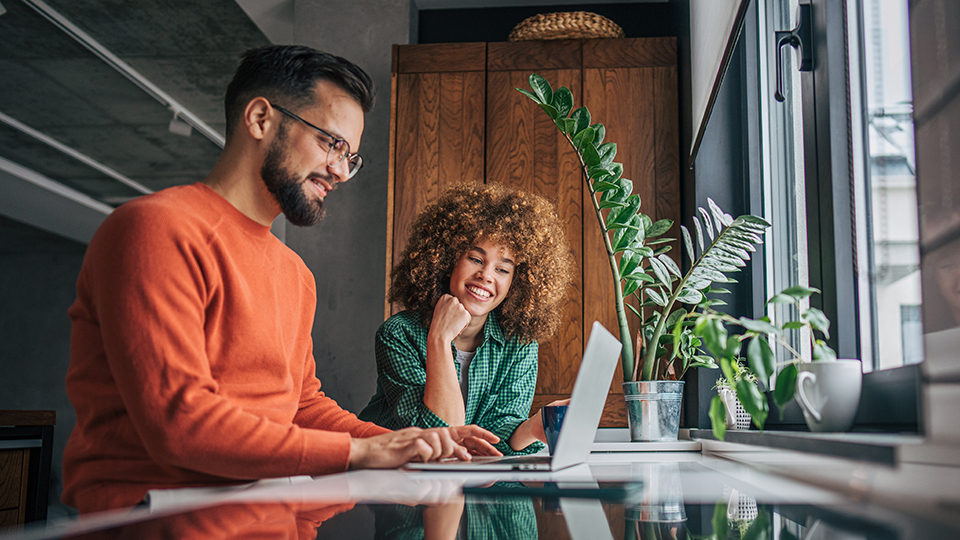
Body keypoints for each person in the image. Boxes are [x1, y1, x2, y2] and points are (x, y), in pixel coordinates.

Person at [61, 45, 499, 514]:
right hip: (164, 523)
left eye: (351, 157)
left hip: (272, 517)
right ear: (260, 119)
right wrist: (363, 454)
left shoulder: (295, 274)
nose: (340, 171)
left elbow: (302, 408)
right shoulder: (155, 229)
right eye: (332, 143)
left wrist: (419, 443)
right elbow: (180, 422)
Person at [359, 183, 575, 455]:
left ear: (515, 283)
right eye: (475, 259)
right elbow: (435, 435)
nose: (486, 275)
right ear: (447, 260)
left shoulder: (519, 345)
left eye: (502, 269)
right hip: (384, 478)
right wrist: (439, 338)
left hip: (457, 478)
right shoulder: (399, 335)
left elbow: (495, 432)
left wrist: (534, 428)